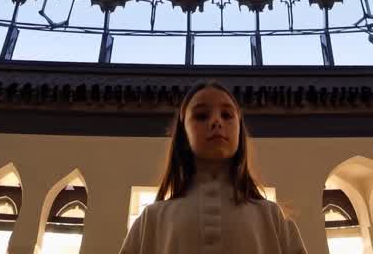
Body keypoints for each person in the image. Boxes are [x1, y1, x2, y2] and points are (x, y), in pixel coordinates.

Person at [118, 81, 309, 254]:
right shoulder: (150, 221)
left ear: (239, 129)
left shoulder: (272, 218)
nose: (216, 121)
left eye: (227, 115)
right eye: (201, 116)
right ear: (184, 133)